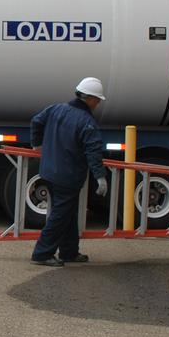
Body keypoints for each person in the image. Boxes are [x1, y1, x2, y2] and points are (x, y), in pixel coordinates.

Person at [28, 77, 108, 267]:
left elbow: (36, 121)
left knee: (68, 212)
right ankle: (42, 253)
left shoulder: (56, 109)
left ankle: (69, 252)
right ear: (89, 98)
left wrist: (36, 144)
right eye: (97, 100)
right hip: (67, 177)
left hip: (48, 171)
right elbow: (93, 151)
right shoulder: (87, 122)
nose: (97, 104)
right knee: (60, 215)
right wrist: (100, 178)